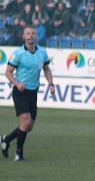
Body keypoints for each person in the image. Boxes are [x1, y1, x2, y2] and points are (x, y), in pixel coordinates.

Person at [1, 26, 55, 161]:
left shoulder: (42, 52)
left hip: (33, 92)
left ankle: (6, 139)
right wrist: (16, 83)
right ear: (24, 37)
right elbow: (8, 72)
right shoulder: (18, 53)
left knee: (29, 126)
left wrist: (51, 84)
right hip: (20, 92)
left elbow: (46, 69)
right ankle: (19, 154)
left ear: (36, 36)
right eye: (28, 34)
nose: (30, 36)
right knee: (26, 122)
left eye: (33, 33)